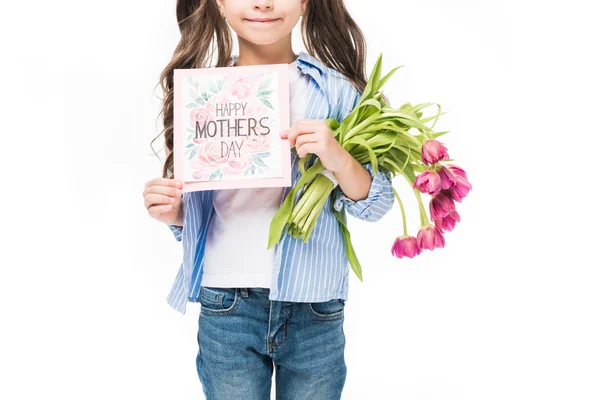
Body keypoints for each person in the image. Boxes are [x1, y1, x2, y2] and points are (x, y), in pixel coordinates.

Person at [143, 0, 394, 398]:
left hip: (314, 303)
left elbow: (376, 203)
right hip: (226, 302)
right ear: (220, 4)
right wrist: (176, 214)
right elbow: (203, 208)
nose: (263, 2)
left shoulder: (334, 91)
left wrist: (338, 157)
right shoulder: (203, 94)